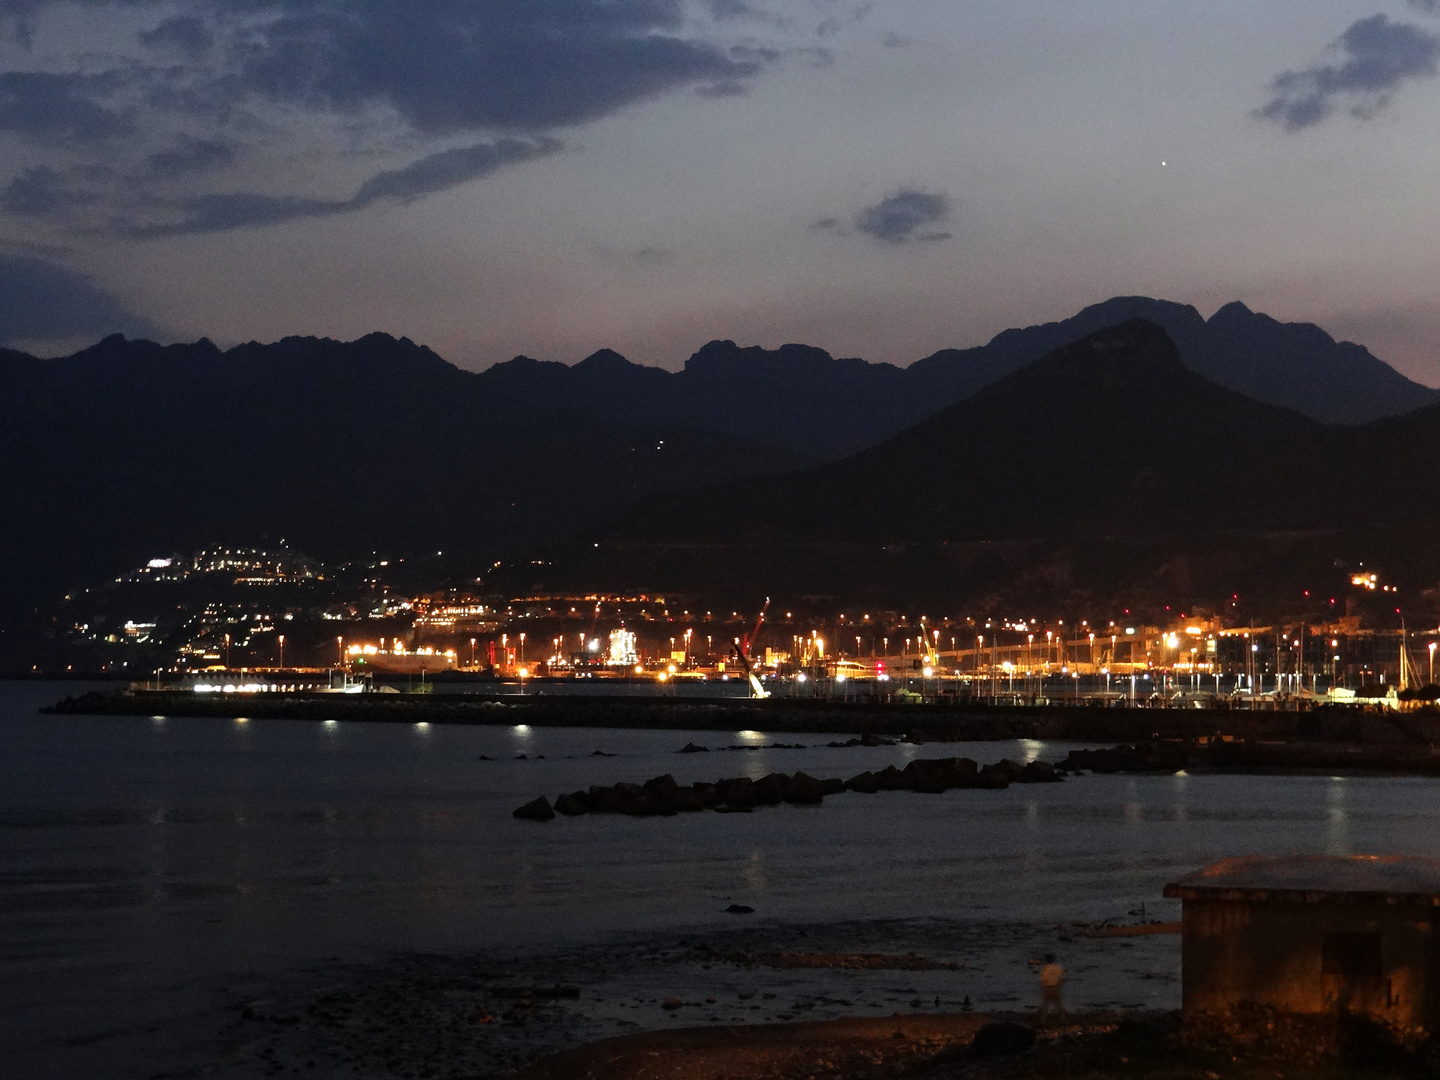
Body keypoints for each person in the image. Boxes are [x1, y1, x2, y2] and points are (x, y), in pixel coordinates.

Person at [1038, 953, 1066, 1025]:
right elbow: (1063, 977)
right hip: (1055, 987)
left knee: (1045, 1005)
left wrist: (1042, 988)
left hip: (1047, 988)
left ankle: (1043, 1021)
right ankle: (1062, 1020)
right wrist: (1059, 985)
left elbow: (1043, 979)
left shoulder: (1045, 968)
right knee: (1059, 1005)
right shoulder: (1058, 967)